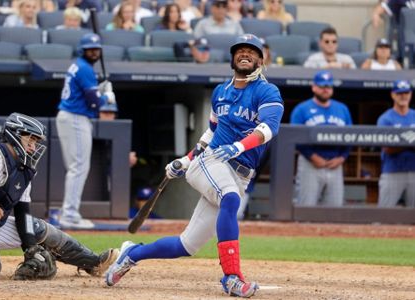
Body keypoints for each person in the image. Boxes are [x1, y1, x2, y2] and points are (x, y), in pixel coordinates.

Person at [105, 34, 284, 298]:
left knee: (186, 245)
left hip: (239, 171)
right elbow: (210, 135)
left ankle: (133, 252)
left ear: (261, 58)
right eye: (240, 50)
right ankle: (232, 278)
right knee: (230, 199)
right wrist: (186, 159)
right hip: (211, 162)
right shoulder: (220, 92)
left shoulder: (267, 91)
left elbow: (268, 128)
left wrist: (238, 146)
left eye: (251, 51)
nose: (245, 54)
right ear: (233, 57)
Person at [0, 112, 117, 281]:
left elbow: (23, 213)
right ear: (15, 135)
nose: (33, 146)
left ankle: (93, 262)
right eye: (30, 139)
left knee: (36, 228)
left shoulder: (24, 170)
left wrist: (31, 249)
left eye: (36, 141)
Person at [56, 33, 116, 229]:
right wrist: (107, 97)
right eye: (90, 49)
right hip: (75, 118)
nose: (94, 52)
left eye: (96, 49)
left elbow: (87, 93)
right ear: (83, 50)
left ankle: (68, 212)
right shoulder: (84, 69)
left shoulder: (79, 66)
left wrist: (99, 89)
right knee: (79, 167)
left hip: (68, 115)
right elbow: (94, 102)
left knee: (75, 167)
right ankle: (70, 214)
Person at [291, 71, 352, 207]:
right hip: (310, 163)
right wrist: (311, 156)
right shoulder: (301, 109)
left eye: (329, 86)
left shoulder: (342, 109)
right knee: (306, 207)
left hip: (336, 164)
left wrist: (342, 157)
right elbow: (295, 137)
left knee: (334, 209)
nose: (325, 89)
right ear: (314, 87)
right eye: (322, 86)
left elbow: (351, 136)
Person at [377, 80, 415, 207]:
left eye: (406, 93)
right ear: (393, 95)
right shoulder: (386, 119)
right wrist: (410, 143)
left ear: (410, 94)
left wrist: (401, 143)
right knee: (383, 215)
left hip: (414, 171)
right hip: (393, 171)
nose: (403, 96)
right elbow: (387, 148)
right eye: (399, 93)